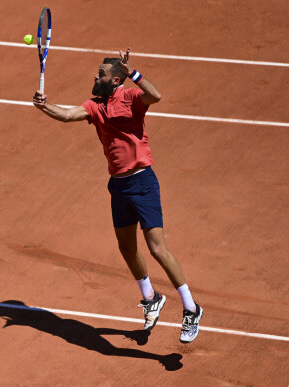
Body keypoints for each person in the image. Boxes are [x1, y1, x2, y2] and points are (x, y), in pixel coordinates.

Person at [32, 48, 203, 343]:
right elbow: (69, 114)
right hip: (118, 186)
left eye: (101, 74)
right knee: (126, 247)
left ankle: (190, 307)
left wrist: (133, 71)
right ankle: (150, 297)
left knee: (157, 249)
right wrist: (45, 107)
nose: (95, 76)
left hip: (142, 182)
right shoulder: (96, 105)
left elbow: (156, 95)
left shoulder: (132, 99)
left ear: (115, 80)